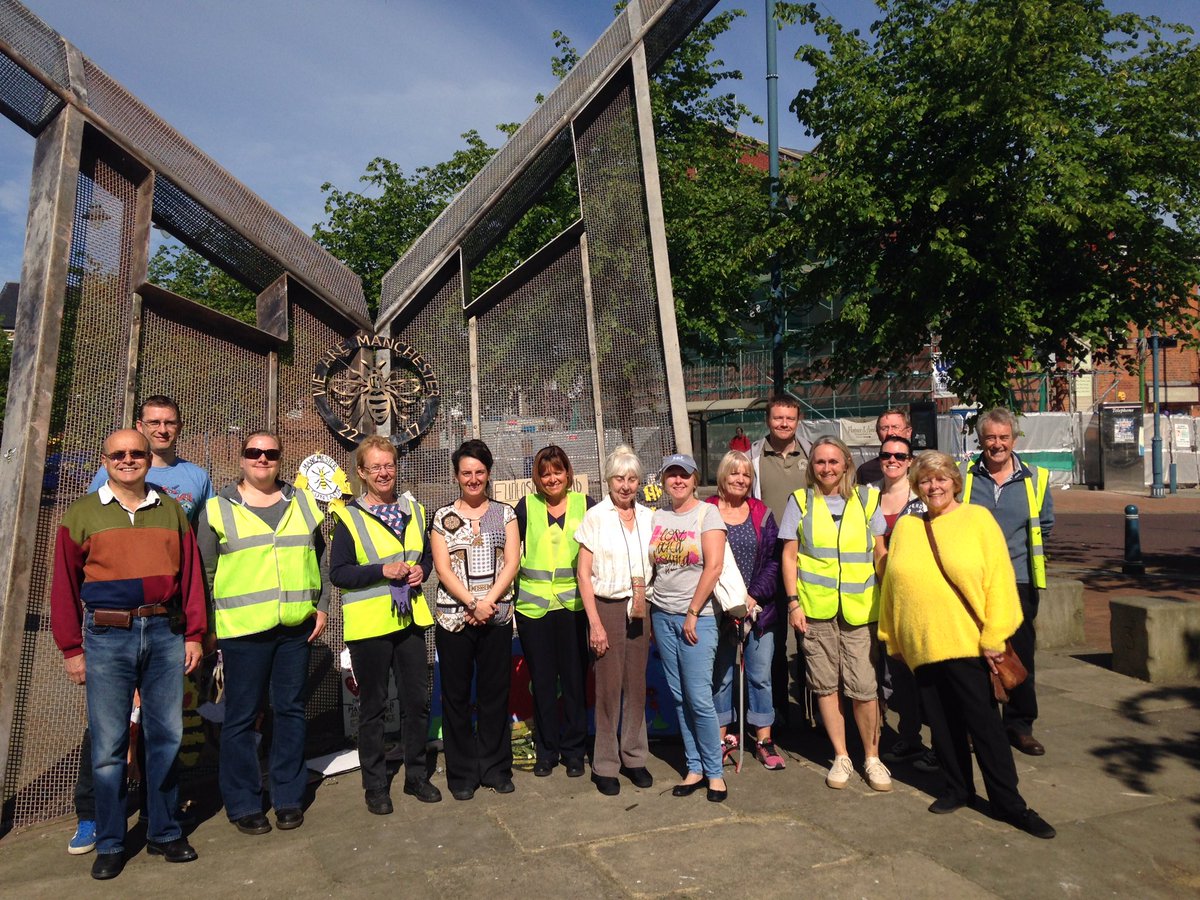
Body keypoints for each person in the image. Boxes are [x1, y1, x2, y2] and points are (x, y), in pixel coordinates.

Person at [51, 429, 205, 879]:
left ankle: (164, 832)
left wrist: (194, 634)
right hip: (106, 636)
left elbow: (192, 577)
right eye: (118, 454)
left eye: (137, 453)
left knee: (166, 737)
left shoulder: (170, 510)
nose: (128, 459)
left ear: (148, 459)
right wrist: (71, 648)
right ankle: (111, 841)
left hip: (164, 632)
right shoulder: (82, 514)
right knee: (108, 745)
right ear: (105, 461)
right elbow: (64, 586)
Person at [878, 451, 1056, 839]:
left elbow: (1001, 582)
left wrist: (995, 636)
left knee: (986, 728)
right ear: (916, 486)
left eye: (941, 478)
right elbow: (892, 585)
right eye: (926, 480)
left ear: (955, 482)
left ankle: (1010, 804)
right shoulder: (908, 527)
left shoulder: (977, 520)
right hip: (923, 647)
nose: (934, 486)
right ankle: (957, 788)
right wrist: (892, 637)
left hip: (970, 646)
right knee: (942, 729)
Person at [197, 432, 327, 836]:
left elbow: (319, 556)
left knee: (289, 710)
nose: (262, 459)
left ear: (280, 459)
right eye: (254, 452)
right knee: (240, 716)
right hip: (242, 631)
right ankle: (243, 803)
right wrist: (208, 627)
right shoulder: (217, 509)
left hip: (294, 628)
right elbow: (204, 573)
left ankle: (288, 796)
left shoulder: (302, 502)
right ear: (241, 459)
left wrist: (321, 606)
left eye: (271, 453)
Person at [329, 435, 441, 813]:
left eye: (388, 465)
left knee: (416, 703)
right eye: (375, 466)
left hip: (410, 620)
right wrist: (383, 571)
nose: (383, 472)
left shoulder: (415, 510)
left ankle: (416, 776)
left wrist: (422, 570)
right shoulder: (349, 517)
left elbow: (426, 555)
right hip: (370, 626)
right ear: (361, 472)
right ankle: (375, 785)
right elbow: (339, 573)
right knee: (373, 707)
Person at [780, 436, 891, 792]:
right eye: (820, 462)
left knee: (864, 687)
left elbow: (880, 553)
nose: (826, 468)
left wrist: (891, 597)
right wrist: (793, 603)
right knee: (826, 685)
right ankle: (841, 755)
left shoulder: (867, 499)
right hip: (816, 610)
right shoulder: (799, 501)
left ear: (846, 464)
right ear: (811, 466)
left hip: (861, 610)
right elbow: (789, 557)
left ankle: (872, 757)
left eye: (833, 461)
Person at [430, 439, 521, 801]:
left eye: (479, 472)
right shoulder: (442, 517)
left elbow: (511, 562)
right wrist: (471, 603)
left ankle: (496, 768)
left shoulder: (505, 514)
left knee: (494, 694)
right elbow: (442, 568)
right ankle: (462, 773)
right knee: (455, 697)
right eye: (466, 472)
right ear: (457, 476)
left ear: (488, 473)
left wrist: (488, 603)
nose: (473, 479)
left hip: (495, 616)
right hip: (455, 618)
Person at [961, 408, 1054, 756]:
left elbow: (1044, 526)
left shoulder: (1036, 478)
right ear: (981, 440)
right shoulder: (965, 476)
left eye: (1003, 437)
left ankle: (1019, 724)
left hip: (1018, 580)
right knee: (974, 656)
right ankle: (979, 724)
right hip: (974, 581)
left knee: (1019, 654)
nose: (997, 444)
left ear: (1014, 440)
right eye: (990, 438)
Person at [575, 445, 655, 796]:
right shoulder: (596, 517)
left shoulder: (650, 517)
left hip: (640, 605)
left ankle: (634, 756)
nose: (626, 485)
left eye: (632, 479)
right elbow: (583, 574)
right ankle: (605, 764)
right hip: (607, 606)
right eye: (619, 478)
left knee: (636, 685)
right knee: (608, 688)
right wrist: (595, 623)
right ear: (608, 480)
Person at [649, 452, 729, 803]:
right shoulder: (658, 516)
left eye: (684, 474)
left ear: (695, 479)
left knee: (699, 697)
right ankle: (694, 767)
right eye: (672, 475)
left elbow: (714, 567)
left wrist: (693, 611)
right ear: (663, 481)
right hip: (662, 614)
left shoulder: (707, 513)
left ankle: (715, 772)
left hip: (698, 617)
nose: (678, 481)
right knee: (679, 696)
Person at [513, 445, 593, 779]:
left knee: (574, 681)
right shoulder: (525, 507)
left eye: (557, 471)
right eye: (545, 474)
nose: (552, 479)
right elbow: (509, 554)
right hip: (534, 610)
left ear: (568, 473)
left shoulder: (586, 505)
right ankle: (547, 750)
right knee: (543, 682)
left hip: (574, 607)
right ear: (537, 477)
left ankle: (574, 751)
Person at [705, 450, 784, 770]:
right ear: (722, 476)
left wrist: (753, 596)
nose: (740, 479)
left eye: (746, 474)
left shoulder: (762, 513)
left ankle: (764, 739)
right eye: (734, 473)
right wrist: (726, 603)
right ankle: (722, 738)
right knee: (721, 677)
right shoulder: (706, 511)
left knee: (760, 676)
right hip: (719, 611)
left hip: (759, 611)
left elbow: (774, 560)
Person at [868, 436, 934, 770]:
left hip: (916, 598)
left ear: (910, 461)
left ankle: (941, 743)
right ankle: (909, 738)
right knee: (896, 674)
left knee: (924, 672)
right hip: (879, 597)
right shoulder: (868, 497)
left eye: (899, 455)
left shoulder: (923, 498)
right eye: (886, 455)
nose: (892, 460)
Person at [747, 395, 813, 721]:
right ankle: (778, 714)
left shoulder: (812, 455)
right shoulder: (752, 458)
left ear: (798, 421)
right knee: (772, 640)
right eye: (778, 418)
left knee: (809, 641)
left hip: (808, 558)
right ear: (768, 420)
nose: (784, 424)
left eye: (790, 418)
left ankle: (813, 714)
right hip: (770, 560)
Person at [87, 395, 214, 523]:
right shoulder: (116, 470)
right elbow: (89, 517)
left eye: (170, 423)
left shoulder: (198, 477)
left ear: (180, 427)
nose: (162, 430)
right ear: (140, 426)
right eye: (154, 423)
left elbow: (206, 530)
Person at [856, 408, 913, 485]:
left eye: (895, 427)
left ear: (908, 432)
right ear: (878, 433)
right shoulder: (865, 471)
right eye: (884, 428)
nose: (889, 433)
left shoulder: (922, 467)